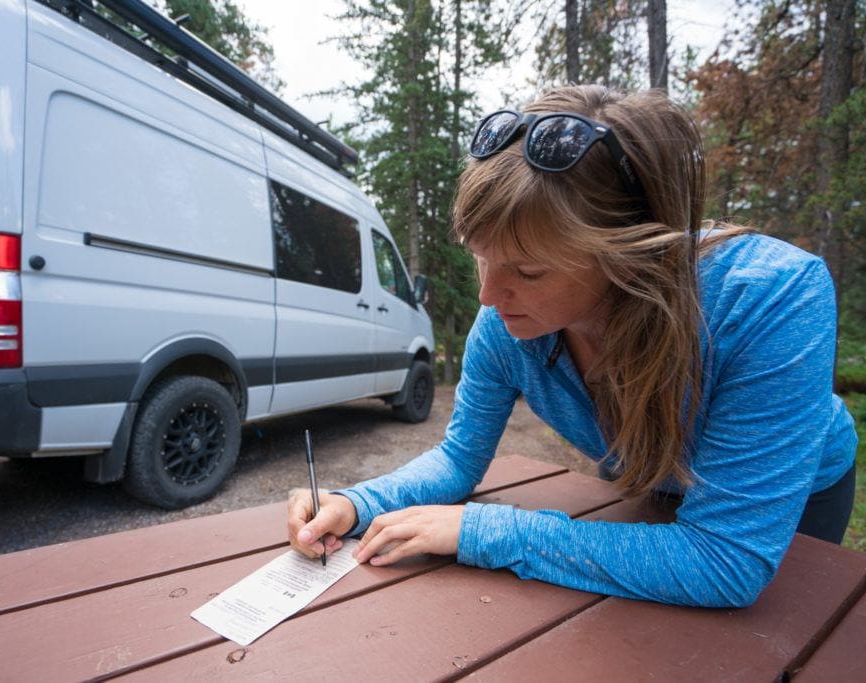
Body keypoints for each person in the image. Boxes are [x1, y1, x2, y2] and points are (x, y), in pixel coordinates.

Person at [286, 85, 858, 608]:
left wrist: (482, 531)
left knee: (779, 645)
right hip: (659, 488)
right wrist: (359, 503)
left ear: (629, 257)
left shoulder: (771, 298)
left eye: (528, 271)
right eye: (480, 257)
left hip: (797, 491)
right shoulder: (506, 326)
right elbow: (459, 459)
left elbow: (725, 560)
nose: (488, 294)